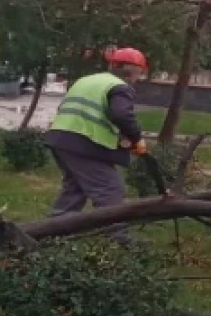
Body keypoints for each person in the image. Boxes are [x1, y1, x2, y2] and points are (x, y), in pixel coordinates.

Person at [43, 48, 149, 242]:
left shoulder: (86, 81)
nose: (139, 79)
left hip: (61, 138)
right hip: (84, 144)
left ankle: (50, 234)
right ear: (134, 71)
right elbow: (121, 114)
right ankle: (119, 241)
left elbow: (81, 112)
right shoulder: (120, 87)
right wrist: (136, 138)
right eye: (140, 73)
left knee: (74, 190)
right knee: (110, 190)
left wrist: (120, 139)